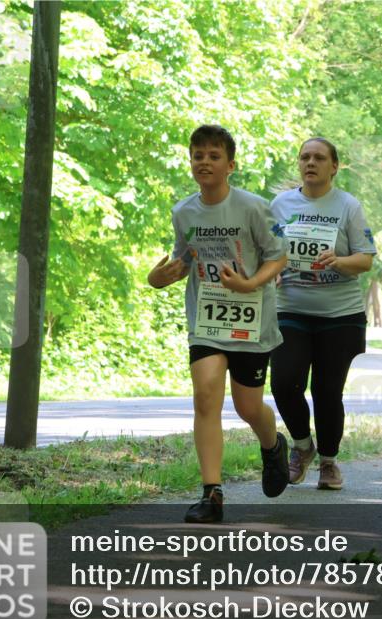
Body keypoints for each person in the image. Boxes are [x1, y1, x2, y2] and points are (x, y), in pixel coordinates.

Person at [147, 124, 289, 523]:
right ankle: (212, 494)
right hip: (207, 319)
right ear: (190, 161)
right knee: (206, 395)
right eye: (197, 155)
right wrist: (158, 278)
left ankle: (272, 443)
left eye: (213, 156)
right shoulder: (183, 211)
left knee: (247, 406)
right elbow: (181, 261)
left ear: (231, 164)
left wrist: (250, 284)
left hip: (251, 318)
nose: (204, 162)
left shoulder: (254, 207)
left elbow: (279, 257)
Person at [270, 138, 377, 491]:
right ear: (298, 164)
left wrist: (339, 261)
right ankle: (303, 447)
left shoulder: (347, 205)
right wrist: (270, 269)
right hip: (291, 307)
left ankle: (329, 463)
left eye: (319, 158)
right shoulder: (280, 205)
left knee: (327, 391)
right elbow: (267, 252)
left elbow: (365, 258)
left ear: (334, 166)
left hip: (340, 314)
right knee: (284, 383)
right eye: (305, 157)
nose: (310, 162)